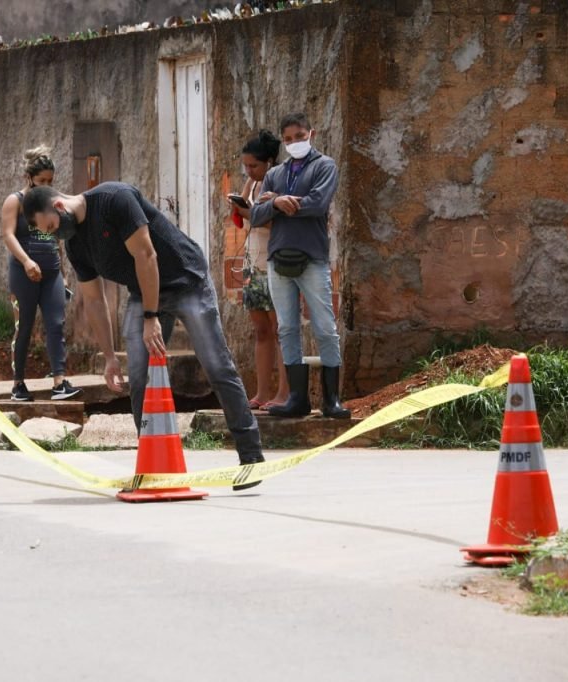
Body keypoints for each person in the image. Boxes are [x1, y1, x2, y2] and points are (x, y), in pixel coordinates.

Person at [22, 182, 266, 491]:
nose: (56, 235)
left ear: (59, 207)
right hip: (144, 291)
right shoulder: (76, 246)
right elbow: (95, 301)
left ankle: (251, 457)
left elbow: (146, 254)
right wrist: (110, 357)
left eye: (52, 227)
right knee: (138, 377)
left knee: (217, 367)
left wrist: (151, 318)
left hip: (186, 280)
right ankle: (152, 466)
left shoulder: (115, 199)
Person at [244, 113, 350, 419]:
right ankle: (296, 399)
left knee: (325, 328)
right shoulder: (275, 173)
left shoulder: (324, 166)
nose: (294, 143)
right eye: (288, 139)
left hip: (313, 258)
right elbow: (258, 214)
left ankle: (332, 400)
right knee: (286, 328)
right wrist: (275, 203)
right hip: (279, 259)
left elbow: (318, 203)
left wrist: (281, 201)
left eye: (300, 136)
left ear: (311, 134)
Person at [0, 146, 81, 402]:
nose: (46, 185)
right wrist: (26, 262)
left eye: (50, 181)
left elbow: (55, 234)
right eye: (41, 181)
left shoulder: (50, 201)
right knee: (22, 327)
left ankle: (59, 381)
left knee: (56, 323)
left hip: (51, 273)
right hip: (24, 273)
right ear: (29, 178)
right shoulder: (16, 201)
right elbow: (8, 235)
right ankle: (18, 384)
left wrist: (63, 272)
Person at [229, 130, 289, 410]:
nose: (249, 171)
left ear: (269, 162)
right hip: (254, 263)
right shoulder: (251, 185)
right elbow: (247, 217)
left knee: (281, 330)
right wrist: (240, 206)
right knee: (261, 330)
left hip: (276, 263)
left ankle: (284, 393)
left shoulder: (279, 182)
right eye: (246, 166)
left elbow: (277, 222)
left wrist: (248, 213)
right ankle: (262, 392)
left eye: (254, 166)